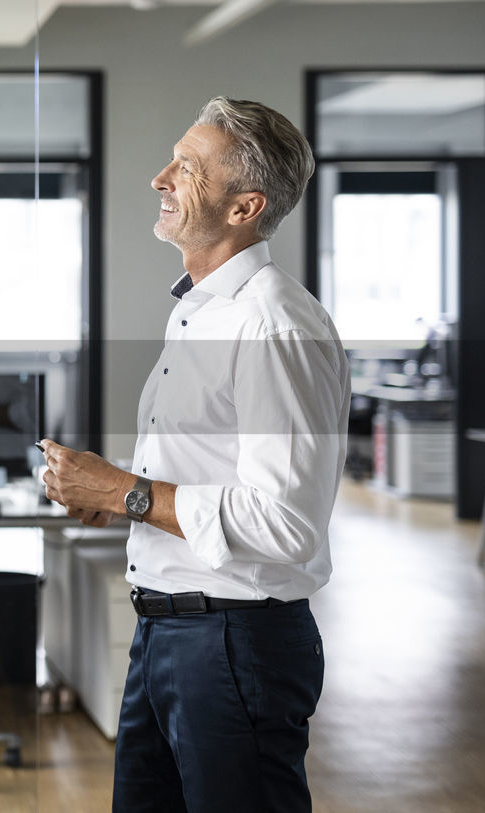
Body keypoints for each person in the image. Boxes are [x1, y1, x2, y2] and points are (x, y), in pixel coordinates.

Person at [39, 97, 349, 812]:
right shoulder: (200, 310)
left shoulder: (273, 324)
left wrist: (127, 492)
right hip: (169, 633)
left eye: (187, 167)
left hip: (234, 644)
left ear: (245, 207)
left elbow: (288, 522)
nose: (160, 177)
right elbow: (213, 481)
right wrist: (121, 502)